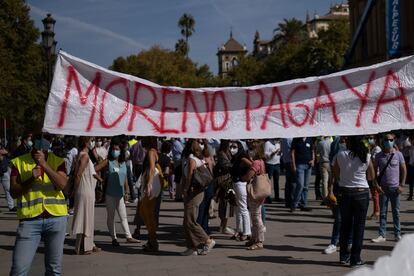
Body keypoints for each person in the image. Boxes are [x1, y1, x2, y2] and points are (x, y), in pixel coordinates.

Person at [9, 135, 68, 275]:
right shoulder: (19, 162)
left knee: (54, 270)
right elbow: (14, 192)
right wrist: (31, 179)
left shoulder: (57, 161)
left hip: (56, 219)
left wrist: (44, 165)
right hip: (30, 221)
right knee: (19, 269)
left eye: (48, 139)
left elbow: (62, 185)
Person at [329, 135, 376, 267]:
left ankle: (344, 257)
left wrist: (344, 178)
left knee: (345, 226)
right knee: (359, 228)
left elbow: (336, 173)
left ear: (349, 142)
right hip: (361, 193)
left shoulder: (340, 154)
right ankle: (355, 259)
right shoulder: (366, 156)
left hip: (345, 192)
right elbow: (372, 176)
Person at [95, 137, 139, 246]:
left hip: (120, 194)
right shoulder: (107, 161)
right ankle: (113, 238)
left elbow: (125, 180)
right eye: (114, 149)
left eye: (118, 149)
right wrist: (101, 180)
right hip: (110, 194)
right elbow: (94, 170)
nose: (116, 151)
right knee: (111, 217)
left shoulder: (123, 163)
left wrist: (127, 192)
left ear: (121, 150)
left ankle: (128, 237)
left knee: (123, 216)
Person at [181, 139, 215, 256]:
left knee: (190, 221)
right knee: (186, 221)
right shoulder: (197, 158)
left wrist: (185, 189)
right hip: (196, 191)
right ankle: (192, 247)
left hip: (194, 192)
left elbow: (190, 175)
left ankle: (207, 241)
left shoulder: (191, 159)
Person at [372, 133, 406, 242]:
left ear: (394, 140)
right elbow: (373, 172)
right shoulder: (378, 156)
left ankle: (397, 234)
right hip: (383, 188)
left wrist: (402, 185)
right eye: (387, 140)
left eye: (391, 140)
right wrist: (376, 185)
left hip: (395, 188)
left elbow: (404, 169)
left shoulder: (399, 155)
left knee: (396, 212)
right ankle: (382, 235)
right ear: (383, 141)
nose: (389, 142)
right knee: (383, 212)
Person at [71, 137, 102, 255]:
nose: (93, 143)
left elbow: (92, 172)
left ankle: (85, 246)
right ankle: (84, 247)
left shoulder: (82, 155)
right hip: (85, 190)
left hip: (85, 189)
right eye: (91, 140)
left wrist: (100, 180)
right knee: (85, 218)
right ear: (86, 142)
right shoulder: (85, 156)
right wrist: (74, 189)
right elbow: (78, 174)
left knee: (85, 217)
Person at [138, 136, 162, 251]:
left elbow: (152, 168)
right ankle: (151, 240)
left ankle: (153, 241)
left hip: (151, 181)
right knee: (146, 213)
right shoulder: (152, 151)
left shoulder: (151, 152)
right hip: (151, 181)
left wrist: (149, 184)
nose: (142, 139)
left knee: (147, 213)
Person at [246, 140, 266, 250]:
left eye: (252, 149)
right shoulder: (261, 161)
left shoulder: (256, 163)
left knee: (256, 217)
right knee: (254, 216)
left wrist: (244, 177)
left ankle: (259, 241)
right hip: (260, 192)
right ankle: (254, 238)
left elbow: (249, 176)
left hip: (255, 192)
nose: (250, 151)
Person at [230, 140, 252, 241]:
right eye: (231, 147)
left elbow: (252, 166)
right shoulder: (236, 157)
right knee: (238, 209)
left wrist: (246, 177)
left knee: (243, 208)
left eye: (234, 147)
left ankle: (247, 232)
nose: (232, 149)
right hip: (236, 183)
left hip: (240, 183)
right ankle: (239, 230)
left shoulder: (242, 157)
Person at [215, 140, 236, 235]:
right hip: (224, 181)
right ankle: (223, 226)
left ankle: (223, 225)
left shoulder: (226, 152)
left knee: (227, 203)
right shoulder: (221, 154)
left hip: (227, 180)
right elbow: (227, 166)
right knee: (226, 203)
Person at [291, 137, 315, 212]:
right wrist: (294, 165)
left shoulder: (309, 139)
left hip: (308, 165)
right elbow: (292, 152)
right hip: (299, 165)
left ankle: (304, 204)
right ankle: (294, 204)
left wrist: (313, 159)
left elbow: (312, 150)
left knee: (306, 186)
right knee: (300, 185)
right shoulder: (296, 139)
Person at [197, 139, 216, 234]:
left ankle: (201, 229)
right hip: (207, 183)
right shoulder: (207, 157)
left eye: (201, 143)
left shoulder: (204, 157)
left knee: (203, 208)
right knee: (203, 208)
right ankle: (204, 228)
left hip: (205, 184)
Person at [366, 135, 382, 220]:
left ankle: (377, 211)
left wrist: (368, 153)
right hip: (371, 174)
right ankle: (376, 210)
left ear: (375, 139)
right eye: (368, 138)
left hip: (376, 174)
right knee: (374, 193)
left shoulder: (377, 149)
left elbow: (374, 161)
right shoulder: (372, 149)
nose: (369, 140)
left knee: (375, 193)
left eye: (371, 138)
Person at [0, 144, 15, 211]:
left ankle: (11, 206)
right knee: (8, 189)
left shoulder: (4, 150)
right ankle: (11, 206)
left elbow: (10, 156)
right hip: (3, 171)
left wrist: (6, 152)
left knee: (8, 189)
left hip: (4, 171)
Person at [281, 138, 294, 208]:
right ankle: (291, 201)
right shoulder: (289, 138)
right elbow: (292, 149)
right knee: (291, 183)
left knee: (288, 182)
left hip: (286, 160)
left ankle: (288, 201)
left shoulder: (283, 138)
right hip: (290, 161)